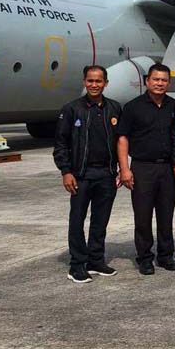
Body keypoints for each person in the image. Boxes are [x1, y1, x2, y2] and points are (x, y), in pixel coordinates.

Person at [53, 65, 123, 283]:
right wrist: (66, 171)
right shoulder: (71, 109)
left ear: (105, 83)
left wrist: (122, 168)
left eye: (98, 81)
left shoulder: (114, 108)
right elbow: (61, 143)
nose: (94, 85)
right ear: (84, 82)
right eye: (90, 81)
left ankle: (95, 260)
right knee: (77, 220)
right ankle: (77, 264)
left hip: (106, 174)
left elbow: (121, 141)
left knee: (100, 221)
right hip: (81, 175)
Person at [117, 63, 175, 275]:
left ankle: (166, 255)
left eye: (164, 80)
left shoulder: (174, 106)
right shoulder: (133, 107)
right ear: (147, 81)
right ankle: (144, 257)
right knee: (142, 216)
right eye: (156, 79)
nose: (160, 83)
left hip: (167, 168)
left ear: (169, 83)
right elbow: (123, 138)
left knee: (166, 215)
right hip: (142, 167)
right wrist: (124, 169)